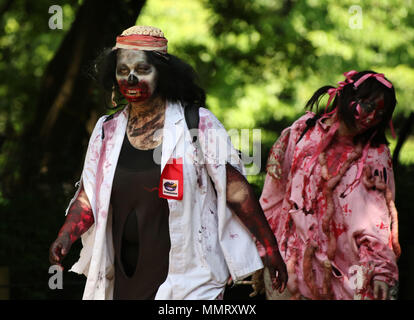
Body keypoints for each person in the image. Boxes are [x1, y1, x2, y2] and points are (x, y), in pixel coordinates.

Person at [48, 25, 287, 300]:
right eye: (123, 71)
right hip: (123, 282)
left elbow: (235, 190)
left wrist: (269, 247)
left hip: (190, 281)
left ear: (163, 73)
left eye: (142, 69)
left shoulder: (198, 123)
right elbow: (89, 195)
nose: (132, 78)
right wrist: (66, 235)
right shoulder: (106, 130)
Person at [253, 70, 400, 300]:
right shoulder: (301, 133)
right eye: (368, 106)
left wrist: (382, 273)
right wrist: (261, 253)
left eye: (380, 114)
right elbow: (273, 197)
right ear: (346, 97)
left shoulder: (375, 156)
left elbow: (378, 223)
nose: (371, 118)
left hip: (345, 284)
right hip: (287, 277)